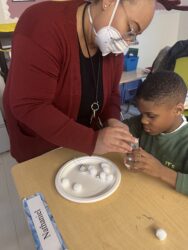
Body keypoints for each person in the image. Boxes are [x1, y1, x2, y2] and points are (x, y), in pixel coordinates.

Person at [3, 0, 155, 162]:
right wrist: (92, 141)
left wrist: (112, 120)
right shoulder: (43, 24)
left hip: (82, 146)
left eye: (134, 36)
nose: (127, 41)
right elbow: (31, 105)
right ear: (108, 2)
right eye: (131, 29)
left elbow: (112, 94)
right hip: (43, 147)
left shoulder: (111, 44)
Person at [124, 70, 188, 195]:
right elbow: (122, 128)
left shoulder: (184, 142)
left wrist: (160, 171)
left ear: (178, 110)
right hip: (140, 193)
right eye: (141, 113)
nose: (143, 120)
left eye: (151, 116)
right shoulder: (142, 123)